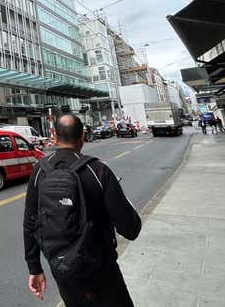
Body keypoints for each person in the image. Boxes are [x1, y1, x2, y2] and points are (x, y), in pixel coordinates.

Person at [23, 114, 141, 306]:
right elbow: (130, 228)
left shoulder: (39, 171)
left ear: (54, 138)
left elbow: (30, 223)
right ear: (82, 138)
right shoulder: (98, 170)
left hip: (62, 272)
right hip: (101, 272)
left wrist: (34, 268)